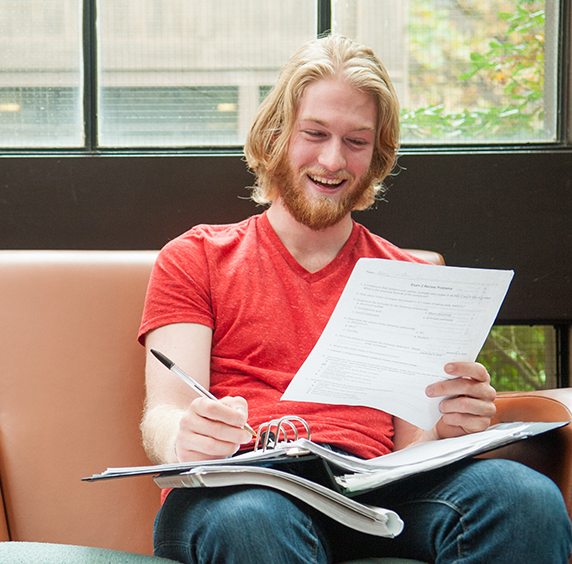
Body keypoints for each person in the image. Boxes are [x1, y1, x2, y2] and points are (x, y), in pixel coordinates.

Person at [137, 35, 572, 564]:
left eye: (357, 142)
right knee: (255, 521)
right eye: (314, 134)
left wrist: (448, 428)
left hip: (375, 492)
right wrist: (185, 436)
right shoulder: (197, 256)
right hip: (242, 490)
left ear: (377, 155)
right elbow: (163, 412)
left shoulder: (407, 277)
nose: (332, 160)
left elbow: (415, 447)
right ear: (277, 136)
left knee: (523, 499)